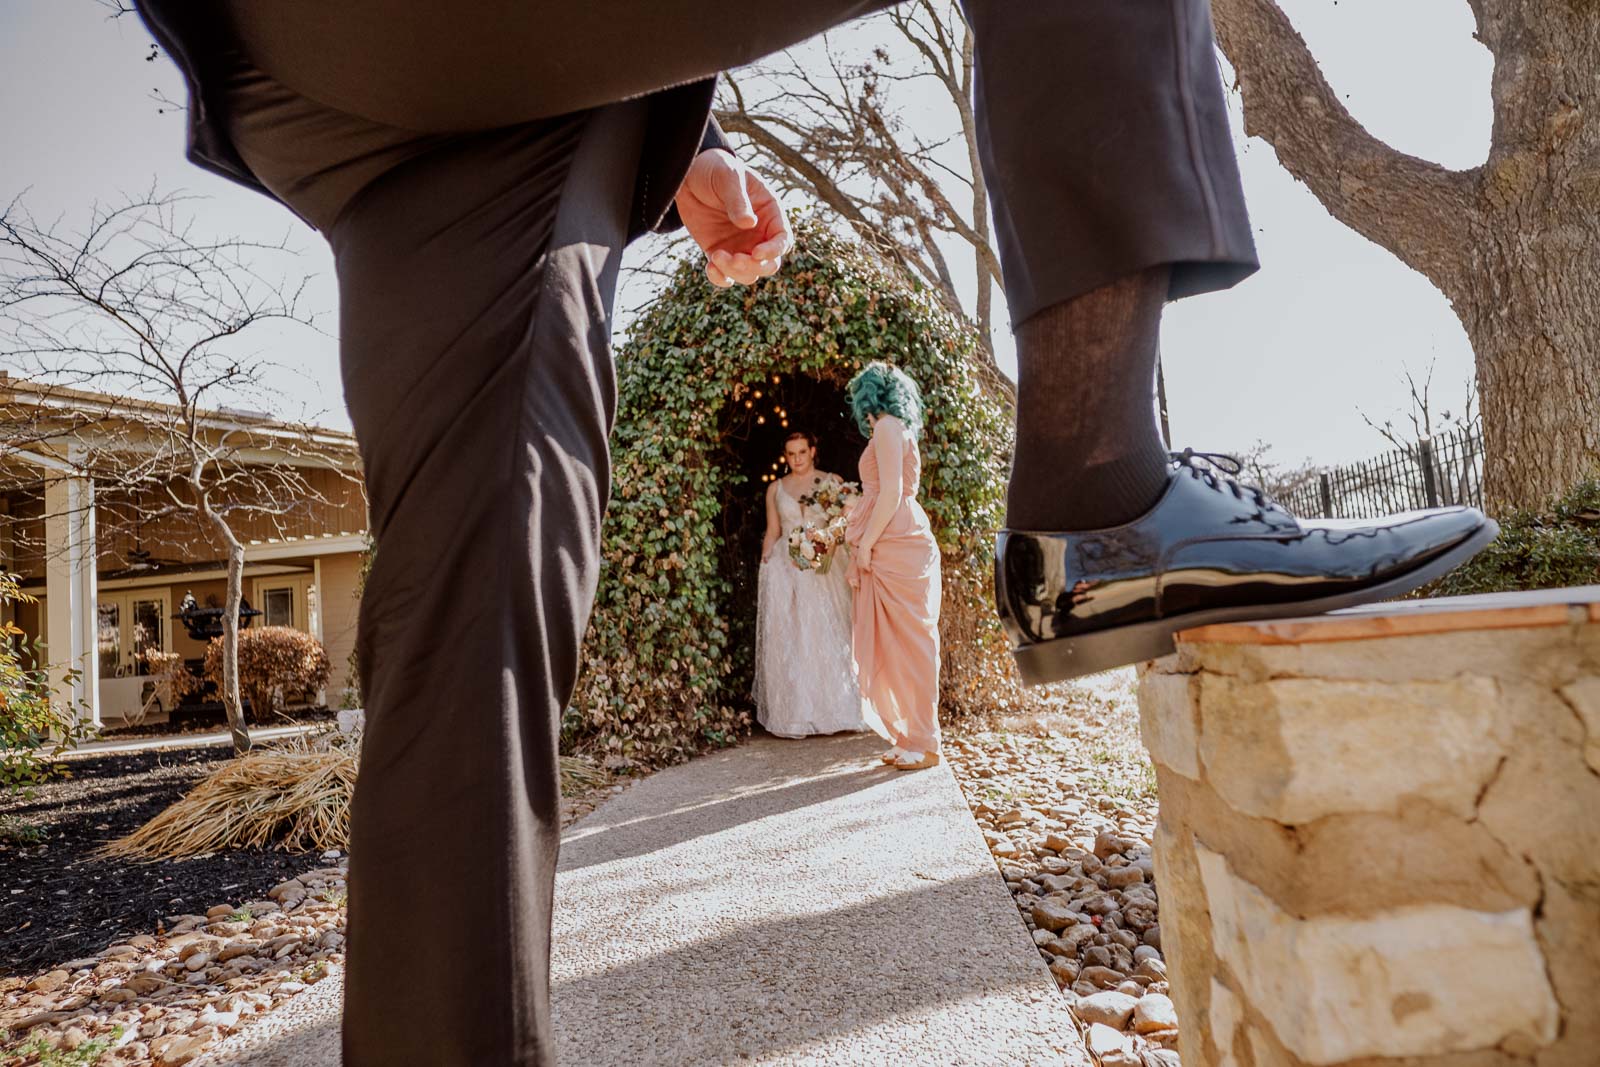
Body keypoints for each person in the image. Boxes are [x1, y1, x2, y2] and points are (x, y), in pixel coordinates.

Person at [129, 2, 1497, 1061]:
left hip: (328, 79)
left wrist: (698, 149)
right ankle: (1106, 494)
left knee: (461, 647)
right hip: (462, 60)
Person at [845, 364, 942, 771]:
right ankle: (909, 736)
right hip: (891, 536)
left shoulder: (887, 426)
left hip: (896, 541)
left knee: (913, 642)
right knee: (896, 644)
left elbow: (891, 493)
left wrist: (865, 544)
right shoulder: (890, 427)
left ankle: (926, 741)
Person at [753, 431, 866, 738]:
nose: (797, 458)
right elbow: (773, 530)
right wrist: (766, 561)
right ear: (785, 456)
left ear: (813, 451)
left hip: (822, 565)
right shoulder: (776, 489)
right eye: (791, 454)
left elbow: (846, 520)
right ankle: (796, 713)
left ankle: (837, 709)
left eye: (802, 452)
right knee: (793, 636)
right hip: (787, 565)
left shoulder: (831, 481)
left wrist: (830, 540)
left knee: (826, 631)